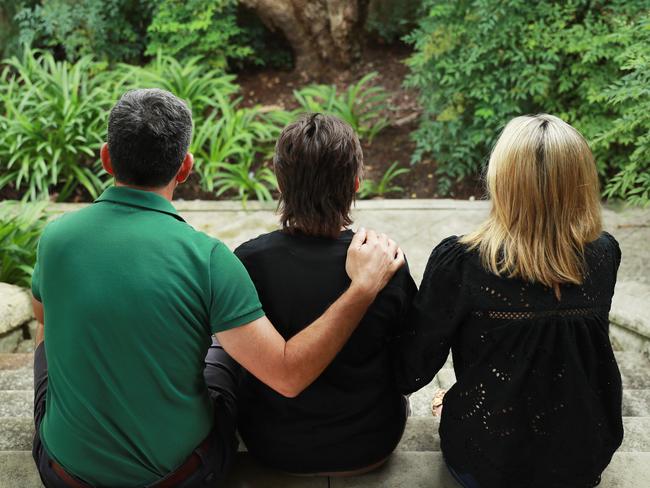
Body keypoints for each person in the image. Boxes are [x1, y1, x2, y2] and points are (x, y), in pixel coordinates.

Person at [30, 89, 404, 487]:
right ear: (185, 167)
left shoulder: (56, 239)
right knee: (221, 348)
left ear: (107, 157)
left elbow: (43, 318)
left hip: (64, 474)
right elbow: (287, 377)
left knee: (46, 333)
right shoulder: (206, 258)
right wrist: (361, 289)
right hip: (182, 476)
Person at [396, 114, 623, 488]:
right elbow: (560, 352)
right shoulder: (603, 255)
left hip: (489, 464)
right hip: (583, 458)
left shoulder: (464, 262)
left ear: (501, 179)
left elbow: (412, 369)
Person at [233, 113, 417, 475]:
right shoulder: (385, 262)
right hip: (370, 444)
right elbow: (412, 365)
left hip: (271, 445)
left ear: (280, 184)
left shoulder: (248, 262)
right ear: (355, 183)